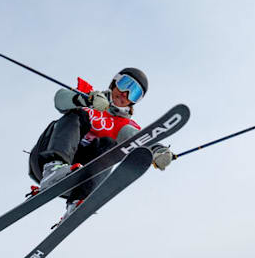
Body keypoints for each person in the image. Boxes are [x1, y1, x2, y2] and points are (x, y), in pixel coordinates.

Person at [28, 68, 173, 223]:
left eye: (134, 93)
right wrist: (87, 100)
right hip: (45, 159)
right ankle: (53, 168)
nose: (125, 93)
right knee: (77, 114)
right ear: (115, 82)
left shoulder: (124, 124)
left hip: (77, 178)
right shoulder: (88, 95)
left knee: (111, 145)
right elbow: (60, 99)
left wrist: (155, 150)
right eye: (125, 84)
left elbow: (136, 137)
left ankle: (78, 202)